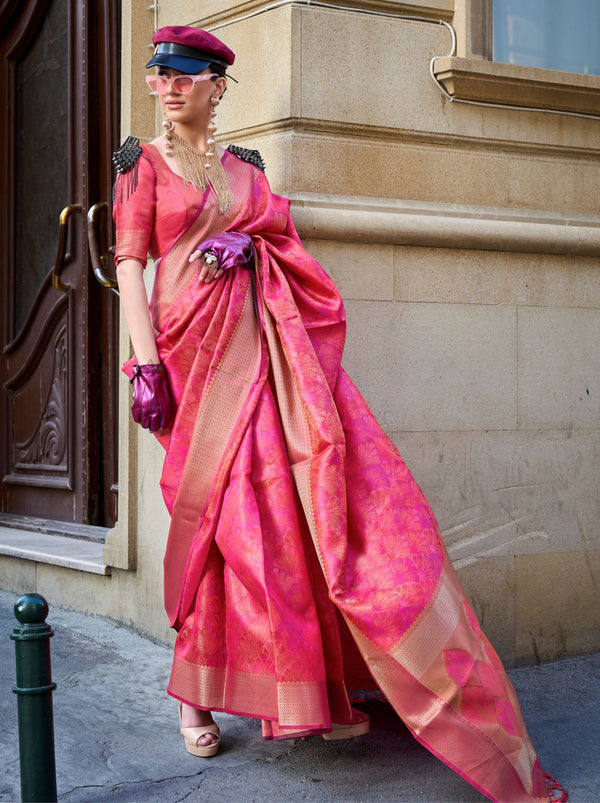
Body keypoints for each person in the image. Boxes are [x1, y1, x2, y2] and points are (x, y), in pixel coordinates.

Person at [113, 25, 567, 802]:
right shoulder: (141, 168)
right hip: (192, 367)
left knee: (282, 523)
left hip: (264, 357)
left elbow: (287, 246)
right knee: (216, 526)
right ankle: (189, 691)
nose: (169, 85)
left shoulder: (245, 171)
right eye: (161, 74)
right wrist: (145, 363)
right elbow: (131, 266)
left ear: (219, 85)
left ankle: (306, 686)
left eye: (186, 74)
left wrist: (250, 250)